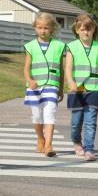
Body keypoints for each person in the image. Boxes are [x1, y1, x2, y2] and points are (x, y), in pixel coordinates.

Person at [65, 14, 98, 161]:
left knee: (90, 121)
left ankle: (89, 149)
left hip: (94, 89)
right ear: (77, 30)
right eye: (82, 29)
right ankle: (76, 142)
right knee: (76, 122)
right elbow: (68, 67)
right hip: (77, 90)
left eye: (89, 29)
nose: (85, 32)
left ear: (94, 30)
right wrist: (70, 81)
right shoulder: (72, 47)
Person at [23, 12, 65, 157]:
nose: (43, 31)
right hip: (35, 86)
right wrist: (29, 80)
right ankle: (40, 139)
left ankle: (48, 144)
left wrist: (61, 88)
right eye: (40, 27)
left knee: (50, 114)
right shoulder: (30, 46)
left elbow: (61, 69)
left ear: (52, 29)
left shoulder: (59, 46)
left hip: (52, 86)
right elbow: (26, 68)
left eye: (46, 28)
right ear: (35, 28)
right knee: (36, 116)